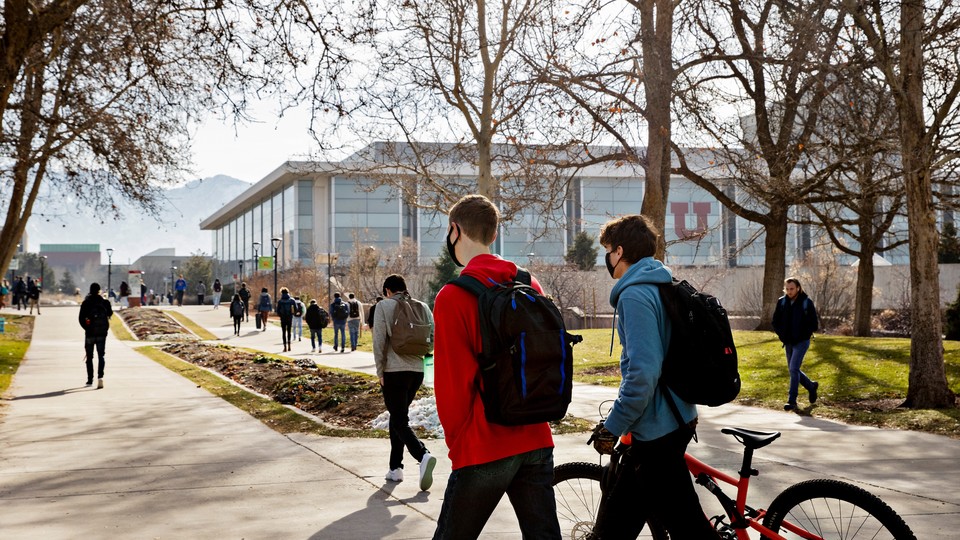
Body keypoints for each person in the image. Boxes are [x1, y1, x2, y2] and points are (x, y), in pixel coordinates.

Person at [432, 194, 561, 539]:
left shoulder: (453, 296)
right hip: (535, 436)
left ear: (455, 230)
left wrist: (458, 444)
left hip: (483, 442)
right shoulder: (528, 283)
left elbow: (452, 383)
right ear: (492, 234)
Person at [591, 213, 719, 538]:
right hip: (674, 420)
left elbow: (643, 372)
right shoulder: (661, 285)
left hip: (657, 432)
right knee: (618, 528)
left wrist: (613, 424)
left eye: (608, 250)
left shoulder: (635, 295)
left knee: (686, 529)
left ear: (619, 252)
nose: (607, 258)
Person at [373, 274, 437, 490]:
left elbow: (379, 340)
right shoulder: (422, 306)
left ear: (388, 291)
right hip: (416, 372)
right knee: (397, 416)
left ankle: (422, 455)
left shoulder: (384, 306)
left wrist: (380, 370)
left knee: (399, 419)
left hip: (394, 371)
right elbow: (433, 337)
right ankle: (395, 468)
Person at [772, 277, 820, 411]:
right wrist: (782, 335)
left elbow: (814, 324)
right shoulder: (781, 302)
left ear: (798, 288)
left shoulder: (806, 302)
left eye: (792, 289)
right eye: (787, 289)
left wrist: (803, 335)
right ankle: (811, 386)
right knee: (794, 370)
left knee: (793, 368)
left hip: (802, 341)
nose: (789, 291)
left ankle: (792, 400)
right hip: (788, 342)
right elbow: (775, 322)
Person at [78, 283, 113, 389]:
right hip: (102, 333)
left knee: (89, 356)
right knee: (101, 355)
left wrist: (87, 328)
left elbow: (80, 318)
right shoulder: (104, 302)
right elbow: (110, 313)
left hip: (90, 333)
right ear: (99, 290)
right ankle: (100, 377)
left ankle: (90, 379)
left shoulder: (86, 303)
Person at [276, 287, 296, 352]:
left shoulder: (280, 301)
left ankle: (285, 347)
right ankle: (289, 345)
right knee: (289, 332)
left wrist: (280, 316)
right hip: (289, 317)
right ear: (288, 292)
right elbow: (295, 309)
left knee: (283, 332)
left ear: (281, 293)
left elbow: (277, 311)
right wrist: (293, 314)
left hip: (283, 318)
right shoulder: (292, 300)